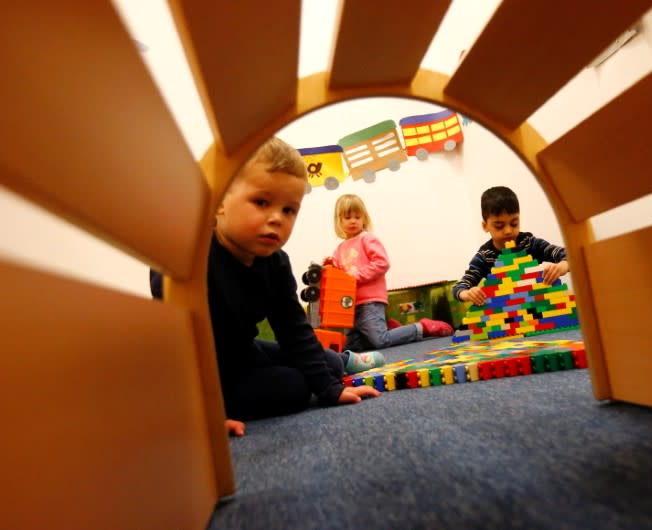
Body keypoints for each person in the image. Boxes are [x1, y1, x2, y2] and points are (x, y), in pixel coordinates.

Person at [150, 137, 380, 430]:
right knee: (295, 388)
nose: (276, 219)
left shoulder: (276, 262)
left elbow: (292, 328)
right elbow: (179, 345)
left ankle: (340, 363)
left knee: (331, 366)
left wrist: (330, 390)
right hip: (200, 373)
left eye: (289, 210)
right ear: (219, 202)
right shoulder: (187, 254)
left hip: (242, 351)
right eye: (261, 202)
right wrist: (203, 414)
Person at [325, 194, 453, 352]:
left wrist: (356, 276)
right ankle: (390, 329)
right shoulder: (339, 249)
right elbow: (339, 275)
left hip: (369, 300)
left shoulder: (367, 239)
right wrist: (330, 265)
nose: (353, 221)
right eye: (347, 217)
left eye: (357, 217)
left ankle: (421, 327)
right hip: (351, 305)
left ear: (364, 218)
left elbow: (382, 263)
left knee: (380, 341)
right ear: (339, 221)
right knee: (352, 348)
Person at [453, 186, 569, 306]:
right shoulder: (484, 257)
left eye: (514, 224)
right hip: (506, 314)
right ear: (485, 226)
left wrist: (563, 265)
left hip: (537, 308)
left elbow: (569, 255)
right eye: (499, 226)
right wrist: (467, 293)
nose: (508, 231)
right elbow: (459, 287)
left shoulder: (529, 244)